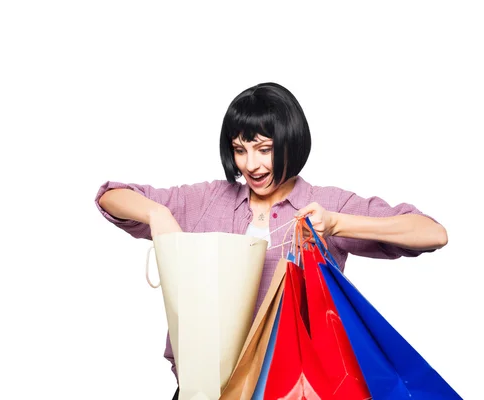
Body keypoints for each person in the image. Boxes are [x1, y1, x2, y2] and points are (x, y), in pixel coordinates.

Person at [95, 82, 448, 399]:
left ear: (289, 144)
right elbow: (111, 195)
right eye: (239, 150)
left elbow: (430, 233)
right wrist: (159, 214)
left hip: (288, 389)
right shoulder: (208, 201)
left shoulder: (325, 204)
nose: (251, 165)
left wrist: (337, 224)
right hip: (206, 388)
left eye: (264, 149)